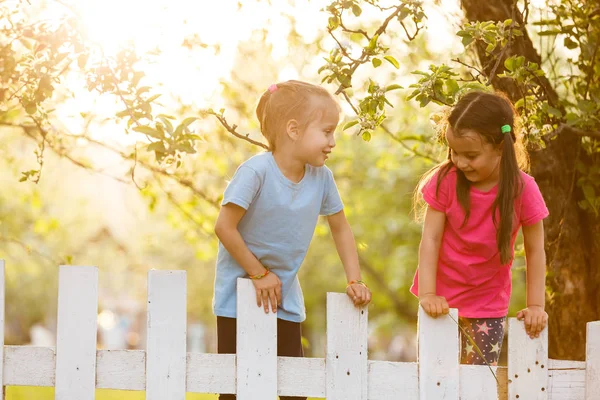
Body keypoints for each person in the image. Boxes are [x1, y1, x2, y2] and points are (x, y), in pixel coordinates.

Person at [213, 80, 372, 399]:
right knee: (234, 389)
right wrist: (258, 274)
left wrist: (354, 278)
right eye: (326, 131)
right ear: (293, 129)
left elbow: (340, 227)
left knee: (293, 388)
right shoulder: (255, 172)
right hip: (238, 299)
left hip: (284, 298)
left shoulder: (322, 178)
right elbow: (224, 227)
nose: (333, 142)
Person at [411, 91, 549, 365]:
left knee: (479, 384)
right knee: (434, 379)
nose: (460, 162)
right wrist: (428, 294)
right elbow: (431, 240)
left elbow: (535, 251)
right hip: (440, 305)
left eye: (471, 155)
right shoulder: (445, 181)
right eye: (454, 152)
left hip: (489, 306)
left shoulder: (524, 189)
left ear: (500, 147)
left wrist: (536, 305)